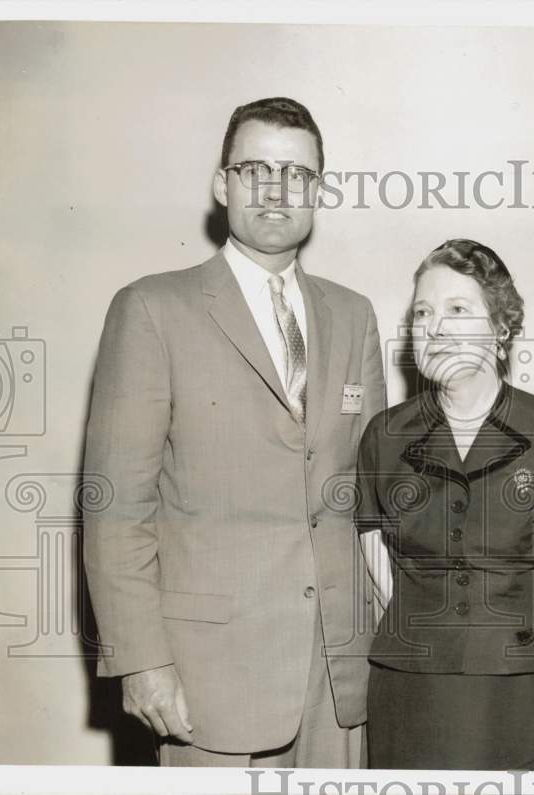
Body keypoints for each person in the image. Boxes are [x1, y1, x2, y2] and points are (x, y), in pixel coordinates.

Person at [83, 97, 385, 767]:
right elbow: (115, 506)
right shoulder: (152, 309)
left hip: (337, 676)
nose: (277, 190)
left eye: (297, 174)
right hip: (208, 679)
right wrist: (142, 659)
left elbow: (373, 498)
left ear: (318, 190)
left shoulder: (354, 315)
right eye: (256, 169)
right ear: (223, 185)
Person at [354, 239, 534, 770]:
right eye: (422, 313)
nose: (434, 328)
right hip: (414, 685)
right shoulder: (383, 436)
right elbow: (378, 564)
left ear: (501, 328)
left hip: (525, 686)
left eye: (457, 310)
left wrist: (505, 631)